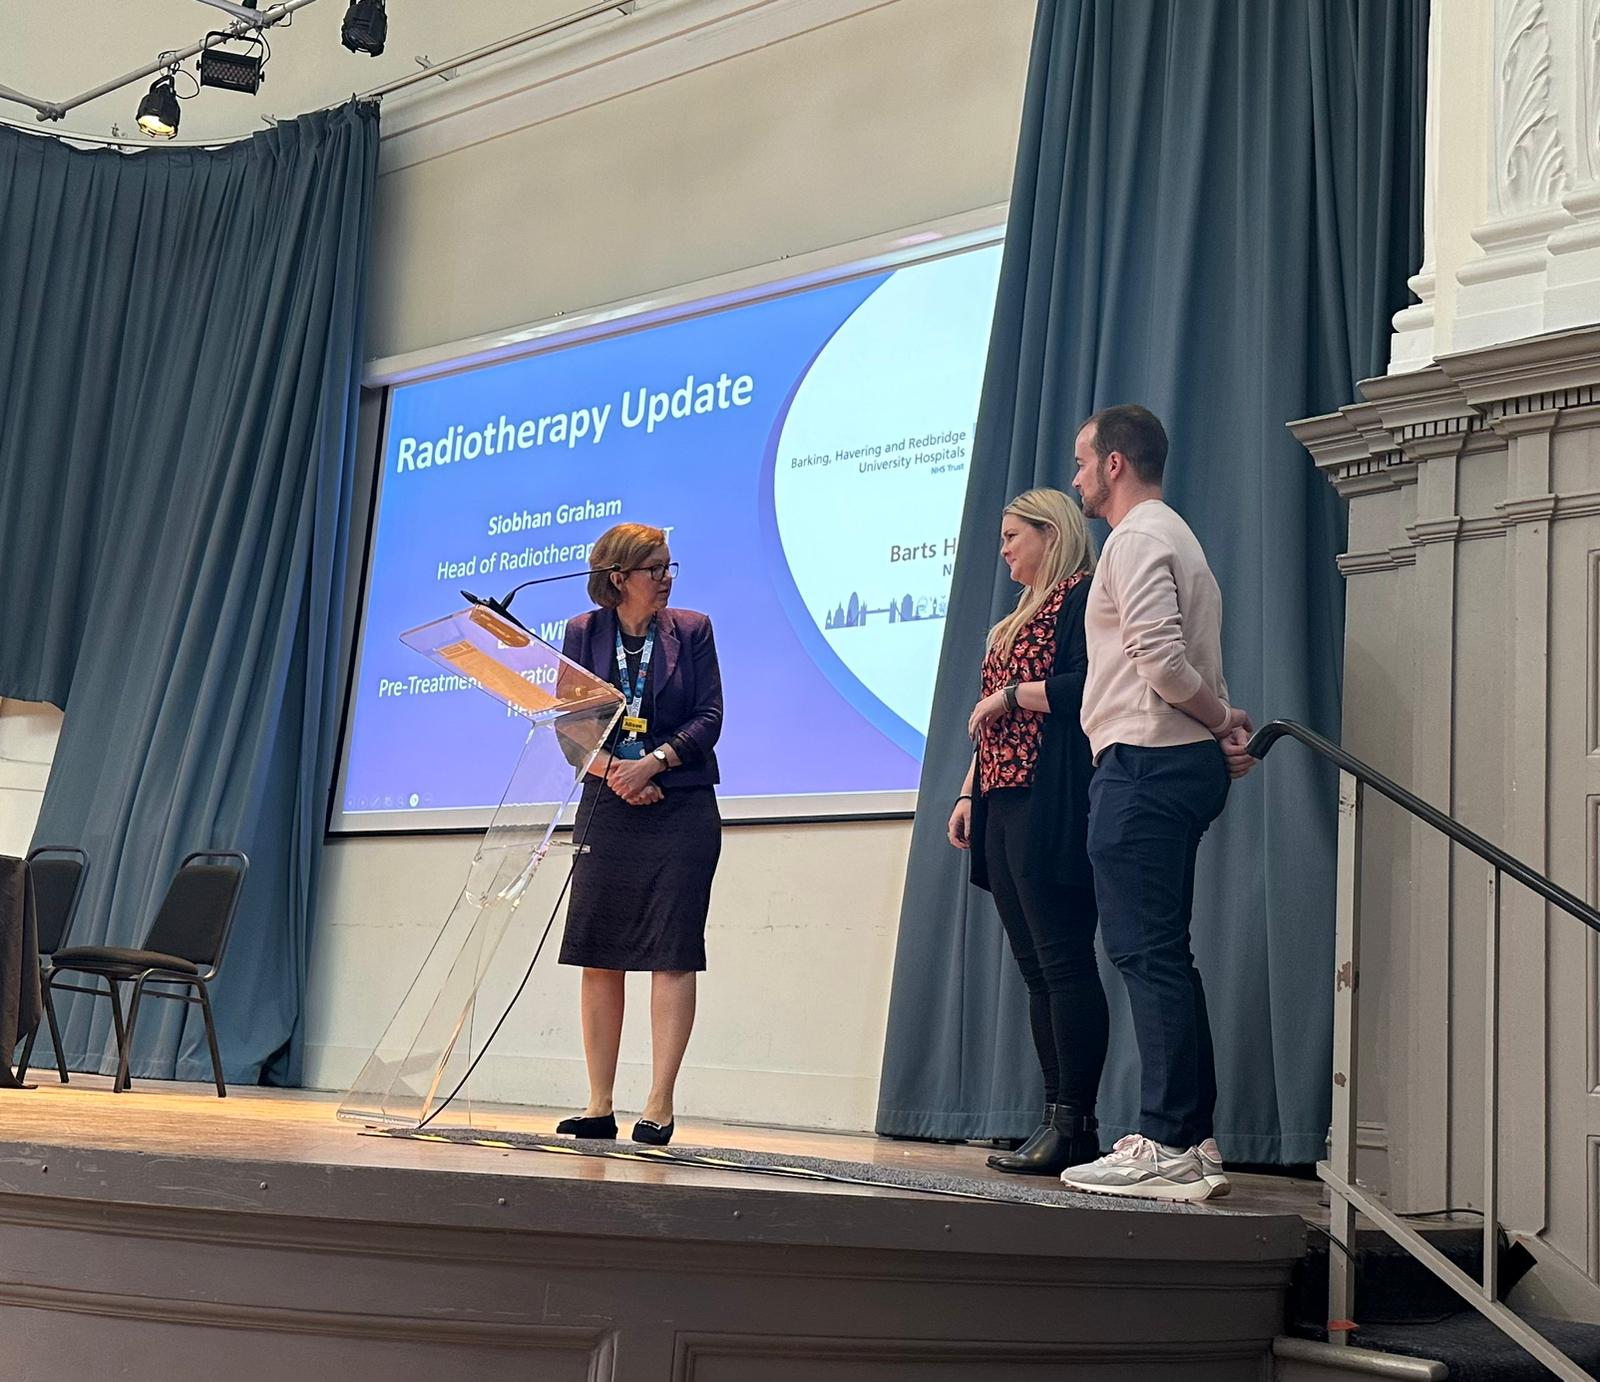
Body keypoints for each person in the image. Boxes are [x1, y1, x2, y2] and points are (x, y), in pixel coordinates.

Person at [1058, 404, 1255, 1202]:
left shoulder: (1137, 538)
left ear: (1113, 464)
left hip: (1144, 762)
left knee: (1146, 952)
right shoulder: (1176, 536)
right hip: (1166, 760)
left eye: (1081, 462)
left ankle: (1169, 1138)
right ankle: (1193, 1141)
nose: (1074, 479)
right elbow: (1184, 656)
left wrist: (1217, 723)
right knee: (1163, 951)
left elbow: (1163, 660)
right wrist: (1219, 730)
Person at [948, 488, 1107, 1176]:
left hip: (1053, 797)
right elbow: (988, 725)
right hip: (1002, 800)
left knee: (1065, 961)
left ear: (1053, 531)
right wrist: (967, 789)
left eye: (1014, 535)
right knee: (1035, 970)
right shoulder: (1016, 617)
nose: (1005, 548)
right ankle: (1053, 1119)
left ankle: (1077, 1121)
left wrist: (1010, 696)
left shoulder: (1082, 595)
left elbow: (1088, 685)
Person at [554, 522, 723, 1147]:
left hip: (680, 805)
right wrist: (616, 774)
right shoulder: (581, 633)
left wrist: (653, 764)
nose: (668, 578)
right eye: (656, 568)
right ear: (619, 576)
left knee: (672, 952)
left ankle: (658, 1105)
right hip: (608, 803)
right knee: (599, 955)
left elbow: (710, 717)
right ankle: (599, 1104)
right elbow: (571, 727)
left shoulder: (693, 630)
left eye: (670, 567)